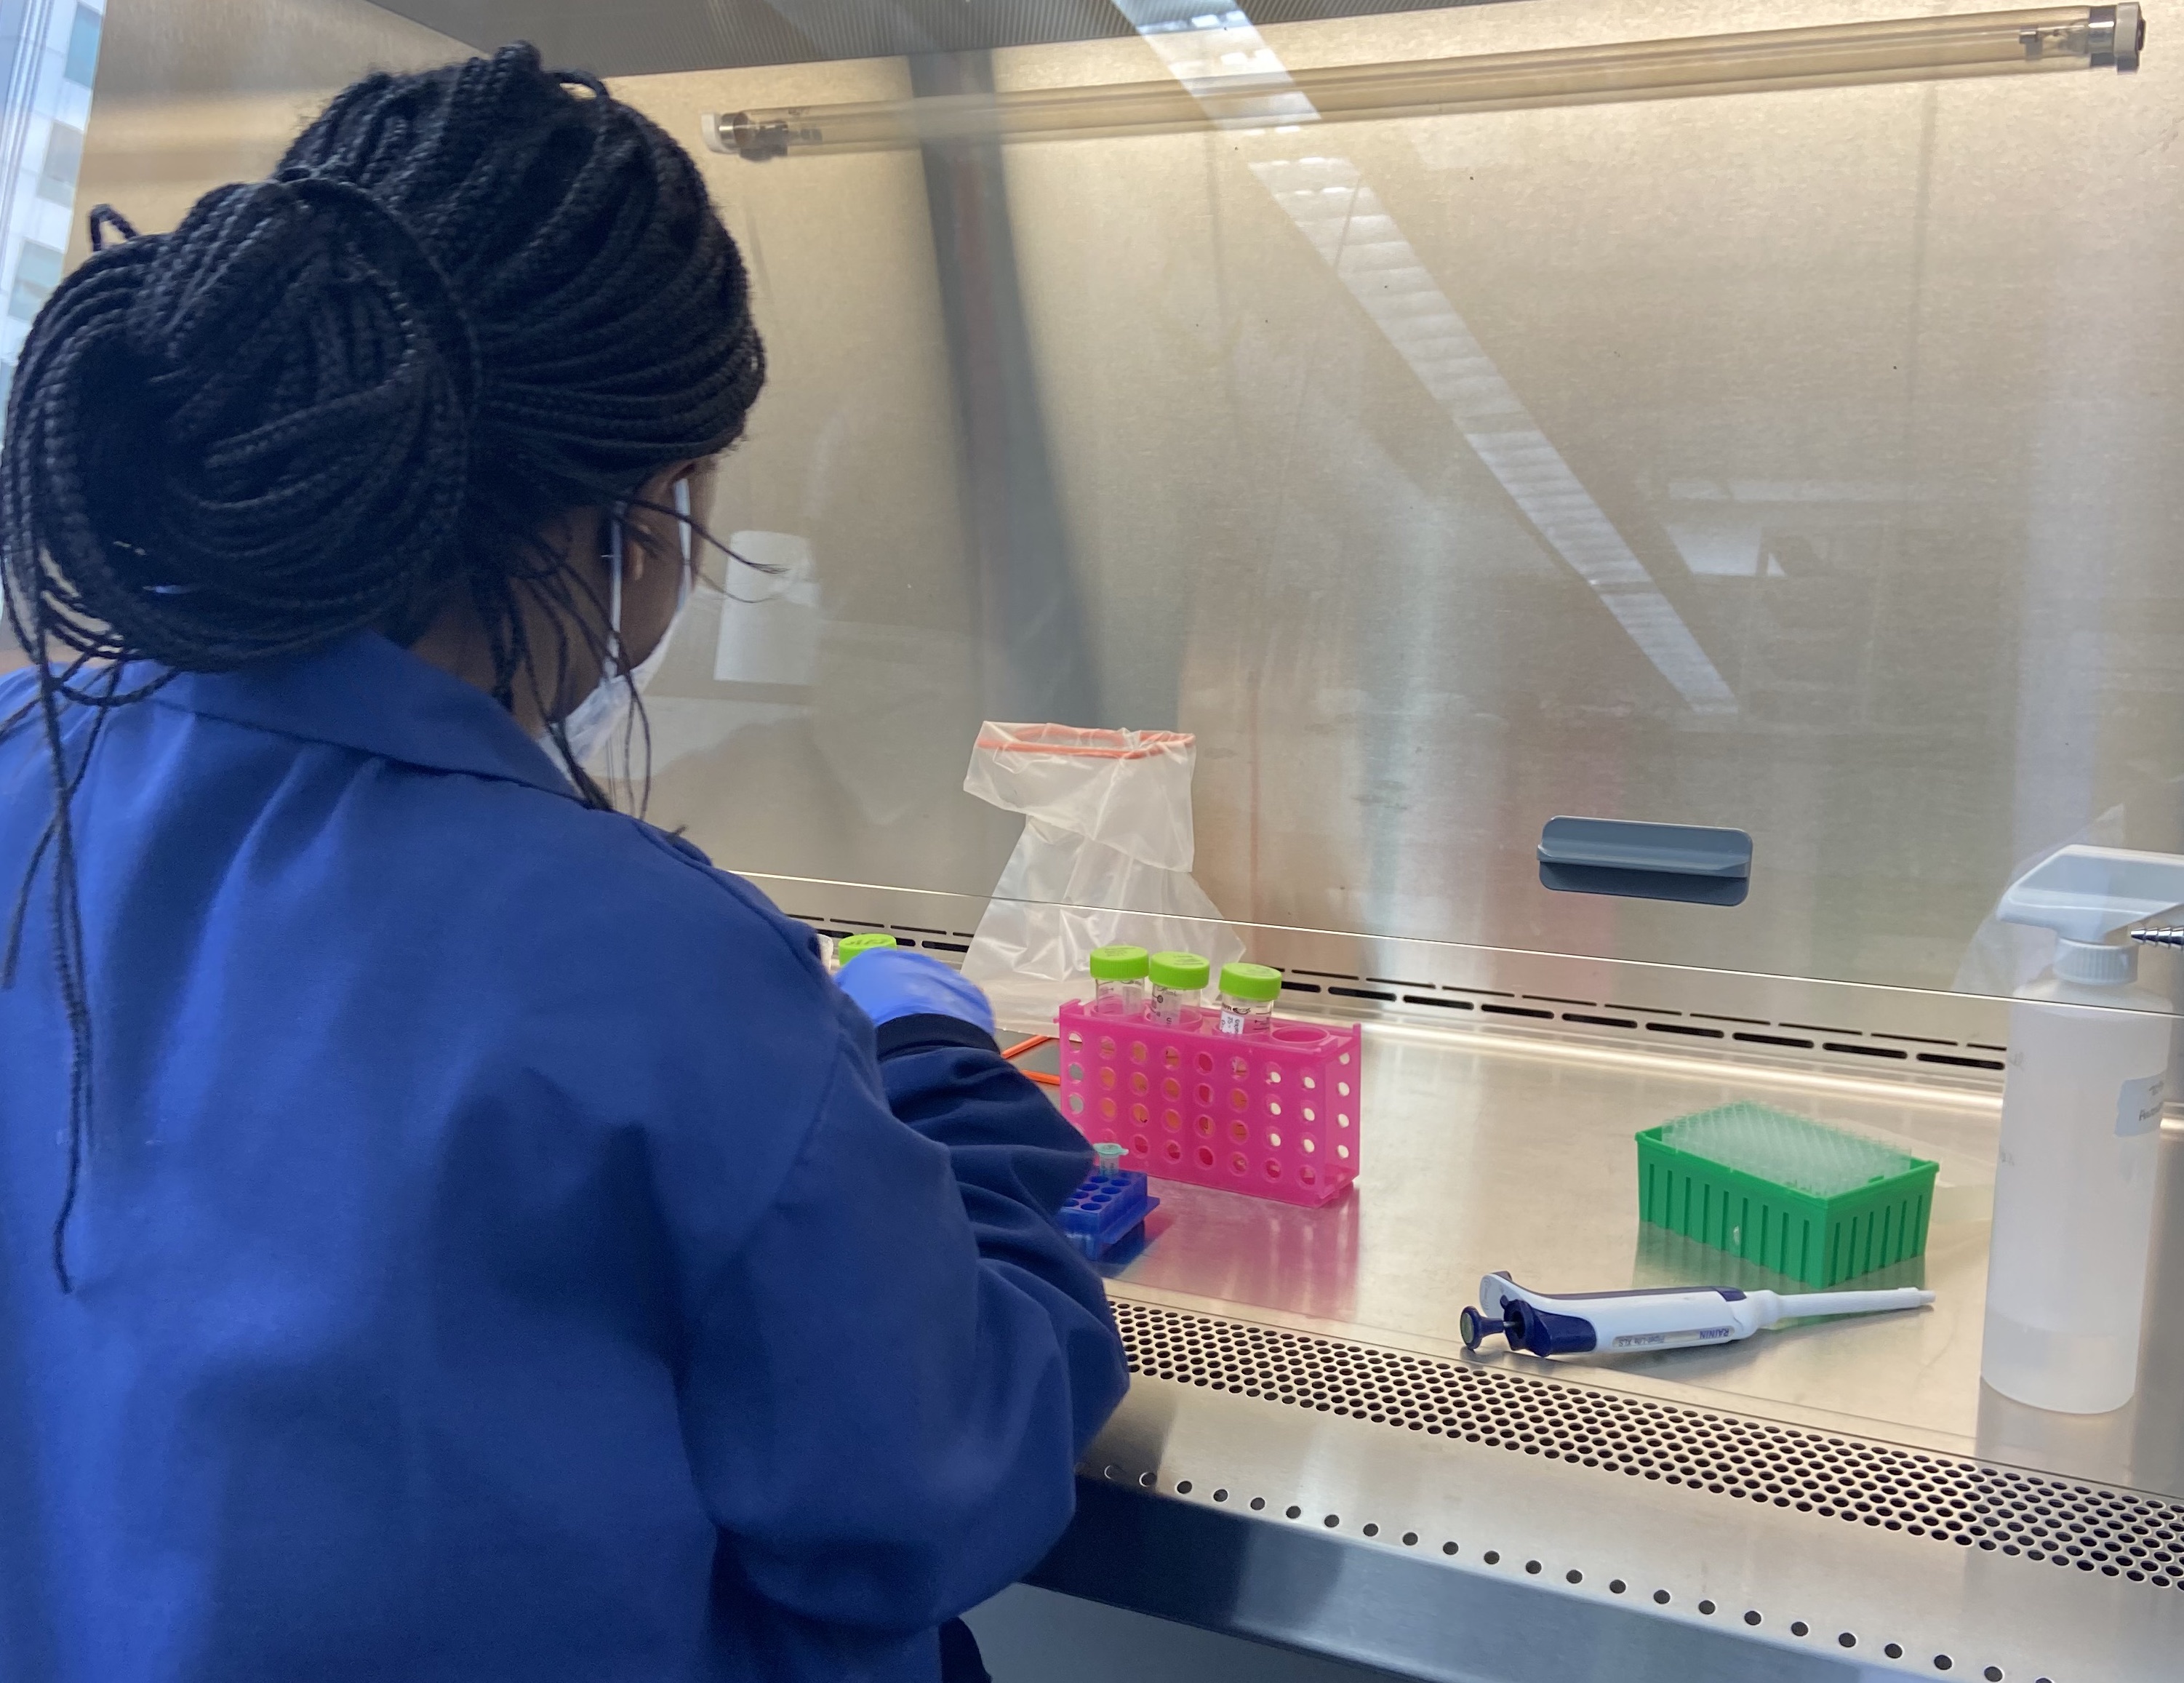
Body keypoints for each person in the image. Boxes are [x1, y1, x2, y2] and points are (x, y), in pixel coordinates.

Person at [0, 44, 1127, 1683]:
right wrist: (951, 1081)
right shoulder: (652, 966)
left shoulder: (26, 767)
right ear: (647, 512)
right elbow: (919, 1484)